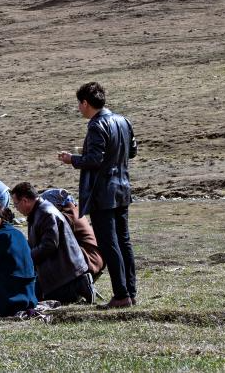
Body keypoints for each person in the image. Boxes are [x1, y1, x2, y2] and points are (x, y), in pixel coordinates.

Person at [58, 81, 138, 309]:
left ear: (85, 103)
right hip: (122, 189)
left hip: (103, 193)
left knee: (109, 242)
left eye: (79, 104)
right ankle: (130, 291)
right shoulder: (124, 121)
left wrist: (72, 159)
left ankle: (121, 294)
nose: (79, 109)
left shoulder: (96, 125)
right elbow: (132, 152)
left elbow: (94, 160)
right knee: (124, 242)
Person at [11, 182, 93, 304]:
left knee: (39, 300)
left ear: (25, 201)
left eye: (16, 204)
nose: (16, 208)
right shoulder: (37, 212)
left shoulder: (45, 213)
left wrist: (27, 258)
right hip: (58, 273)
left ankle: (81, 286)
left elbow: (49, 245)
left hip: (66, 275)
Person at [41, 188, 104, 279]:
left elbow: (50, 241)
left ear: (55, 205)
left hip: (88, 262)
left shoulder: (66, 217)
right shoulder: (74, 211)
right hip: (93, 259)